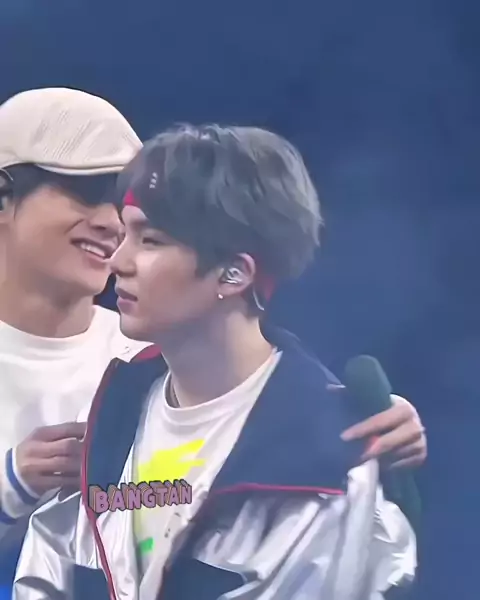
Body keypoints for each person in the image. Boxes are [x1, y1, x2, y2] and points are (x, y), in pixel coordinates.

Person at [15, 124, 424, 599]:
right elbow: (48, 571)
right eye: (126, 234)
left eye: (151, 240)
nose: (117, 261)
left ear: (234, 274)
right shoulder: (114, 406)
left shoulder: (327, 462)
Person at [0, 87, 149, 582]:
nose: (111, 224)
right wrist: (12, 485)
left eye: (122, 205)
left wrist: (353, 432)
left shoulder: (154, 361)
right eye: (86, 193)